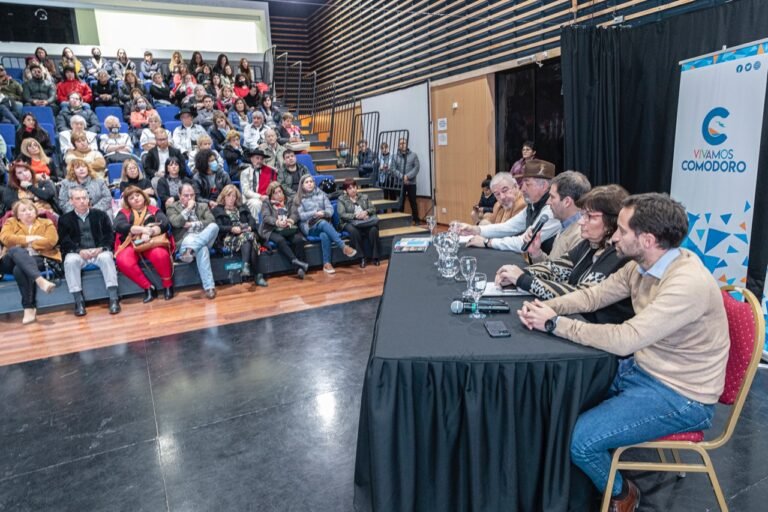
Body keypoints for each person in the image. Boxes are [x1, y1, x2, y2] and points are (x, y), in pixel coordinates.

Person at [516, 193, 730, 512]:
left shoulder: (686, 284)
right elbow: (593, 297)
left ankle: (622, 493)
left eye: (622, 230)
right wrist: (546, 307)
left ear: (646, 239)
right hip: (643, 372)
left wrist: (554, 325)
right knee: (559, 405)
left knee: (581, 441)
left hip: (683, 396)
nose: (614, 236)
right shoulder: (643, 266)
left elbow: (625, 339)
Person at [497, 184, 634, 324]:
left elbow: (579, 296)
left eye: (590, 217)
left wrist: (522, 279)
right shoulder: (590, 244)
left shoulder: (619, 255)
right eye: (583, 215)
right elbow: (556, 269)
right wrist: (521, 273)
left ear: (613, 222)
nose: (581, 221)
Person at [460, 160, 562, 253]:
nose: (522, 189)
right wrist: (475, 229)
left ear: (543, 185)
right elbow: (509, 227)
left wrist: (487, 242)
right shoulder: (532, 206)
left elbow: (523, 243)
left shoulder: (552, 209)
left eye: (527, 184)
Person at [58, 187, 120, 316]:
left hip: (98, 251)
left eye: (84, 198)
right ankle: (78, 301)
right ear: (71, 201)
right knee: (70, 261)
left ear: (88, 199)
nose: (82, 201)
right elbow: (64, 241)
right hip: (78, 254)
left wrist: (101, 248)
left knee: (106, 258)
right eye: (78, 199)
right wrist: (78, 251)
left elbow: (109, 236)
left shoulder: (100, 215)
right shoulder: (64, 219)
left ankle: (113, 298)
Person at [0, 199, 60, 324]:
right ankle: (40, 280)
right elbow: (5, 238)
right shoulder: (11, 222)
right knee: (16, 251)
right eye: (23, 210)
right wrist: (30, 238)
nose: (28, 213)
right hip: (10, 260)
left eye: (30, 209)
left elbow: (51, 241)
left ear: (36, 211)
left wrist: (22, 243)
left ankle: (28, 308)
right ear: (17, 214)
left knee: (19, 269)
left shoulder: (46, 222)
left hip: (40, 257)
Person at [114, 186, 175, 302]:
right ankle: (148, 287)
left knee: (160, 255)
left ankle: (168, 285)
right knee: (123, 260)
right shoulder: (123, 213)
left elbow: (165, 223)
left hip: (151, 241)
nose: (136, 199)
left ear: (143, 196)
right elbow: (118, 226)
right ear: (127, 202)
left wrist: (151, 231)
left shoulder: (153, 209)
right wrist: (140, 229)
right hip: (131, 243)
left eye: (138, 195)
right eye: (131, 198)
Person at [521, 170, 592, 263]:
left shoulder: (581, 235)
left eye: (552, 197)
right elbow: (553, 267)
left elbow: (558, 276)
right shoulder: (565, 225)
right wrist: (536, 252)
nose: (548, 202)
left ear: (567, 202)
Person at [295, 174, 356, 274]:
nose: (310, 184)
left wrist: (324, 213)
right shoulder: (298, 199)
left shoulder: (321, 194)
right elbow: (300, 216)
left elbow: (330, 209)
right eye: (307, 182)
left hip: (324, 223)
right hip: (309, 227)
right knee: (323, 224)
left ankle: (327, 264)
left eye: (311, 181)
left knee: (324, 234)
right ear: (302, 185)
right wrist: (314, 213)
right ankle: (343, 246)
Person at [167, 183, 219, 298]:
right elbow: (176, 223)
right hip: (186, 239)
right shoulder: (172, 207)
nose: (190, 198)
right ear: (179, 196)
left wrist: (192, 224)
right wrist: (189, 208)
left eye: (192, 195)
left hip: (202, 236)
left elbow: (211, 221)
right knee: (203, 249)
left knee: (214, 227)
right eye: (186, 195)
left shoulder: (202, 206)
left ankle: (190, 251)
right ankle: (209, 287)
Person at [212, 184, 267, 286]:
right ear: (223, 197)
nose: (231, 199)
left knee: (249, 237)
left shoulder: (242, 207)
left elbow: (252, 220)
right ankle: (257, 275)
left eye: (234, 196)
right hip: (228, 237)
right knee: (251, 238)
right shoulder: (218, 210)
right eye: (229, 196)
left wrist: (250, 227)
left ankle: (246, 265)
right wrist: (231, 229)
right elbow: (218, 227)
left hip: (245, 234)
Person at [259, 181, 309, 279]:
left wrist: (290, 220)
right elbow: (266, 217)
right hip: (271, 229)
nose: (279, 195)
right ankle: (296, 263)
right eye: (275, 193)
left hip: (287, 228)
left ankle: (299, 267)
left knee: (298, 240)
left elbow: (295, 214)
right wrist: (277, 222)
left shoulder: (289, 201)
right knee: (280, 240)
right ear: (271, 194)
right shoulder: (266, 203)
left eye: (280, 192)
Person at [337, 178, 381, 268]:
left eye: (354, 187)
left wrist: (366, 212)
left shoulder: (364, 197)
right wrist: (355, 216)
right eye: (349, 188)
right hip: (349, 222)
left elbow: (373, 209)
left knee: (373, 229)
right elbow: (342, 214)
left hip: (364, 220)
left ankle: (375, 256)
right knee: (354, 231)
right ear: (345, 191)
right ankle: (362, 257)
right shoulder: (341, 199)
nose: (353, 190)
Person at [240, 148, 276, 218]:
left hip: (265, 198)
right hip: (249, 199)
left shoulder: (267, 172)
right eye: (257, 158)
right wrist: (259, 197)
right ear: (252, 159)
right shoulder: (245, 173)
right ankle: (257, 225)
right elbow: (246, 191)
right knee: (256, 203)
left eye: (261, 159)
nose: (259, 161)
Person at [392, 138, 420, 224]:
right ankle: (400, 221)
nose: (402, 145)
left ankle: (416, 220)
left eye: (404, 143)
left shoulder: (414, 155)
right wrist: (402, 177)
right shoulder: (394, 156)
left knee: (413, 202)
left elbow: (416, 168)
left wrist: (407, 177)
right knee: (400, 202)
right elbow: (393, 169)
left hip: (411, 183)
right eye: (400, 143)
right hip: (399, 183)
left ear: (407, 144)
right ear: (398, 145)